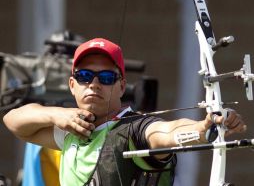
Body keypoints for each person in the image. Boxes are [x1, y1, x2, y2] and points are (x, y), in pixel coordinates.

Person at [3, 38, 246, 186]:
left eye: (106, 77)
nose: (94, 84)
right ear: (72, 85)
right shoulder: (72, 131)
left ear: (121, 86)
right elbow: (12, 120)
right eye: (85, 76)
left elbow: (165, 132)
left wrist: (203, 129)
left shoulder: (134, 130)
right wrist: (56, 114)